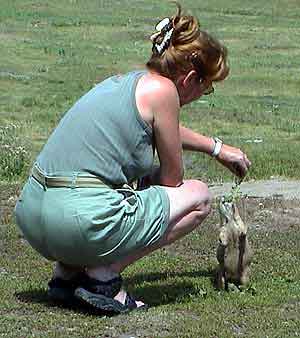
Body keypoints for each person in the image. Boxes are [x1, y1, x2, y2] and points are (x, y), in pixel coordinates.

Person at [15, 3, 251, 313]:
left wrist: (216, 148)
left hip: (34, 217)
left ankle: (67, 275)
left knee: (125, 184)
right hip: (76, 221)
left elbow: (164, 128)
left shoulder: (127, 83)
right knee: (198, 197)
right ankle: (103, 277)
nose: (202, 95)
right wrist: (151, 179)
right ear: (190, 78)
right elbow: (172, 181)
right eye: (206, 87)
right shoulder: (165, 92)